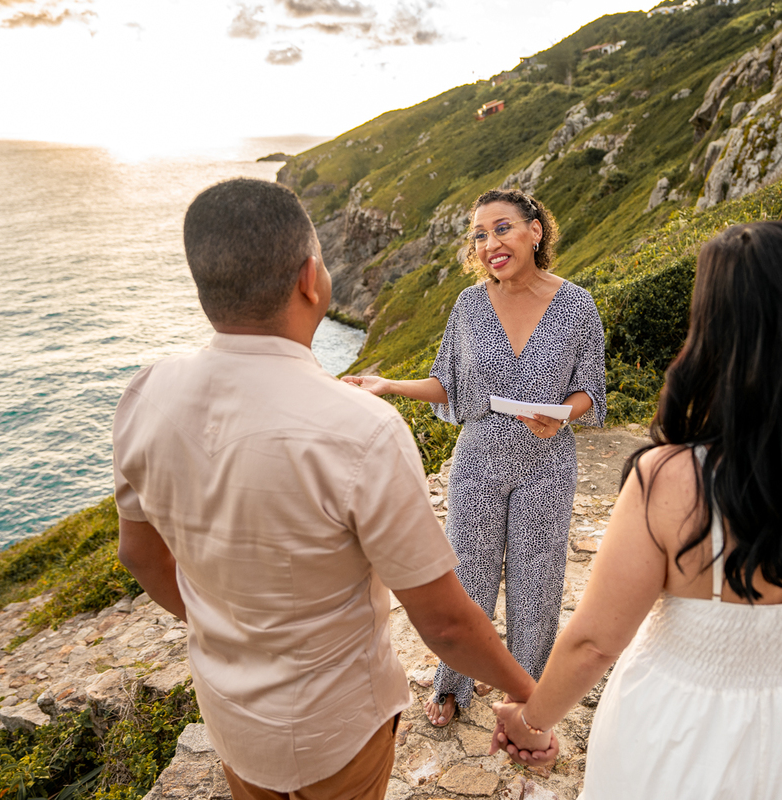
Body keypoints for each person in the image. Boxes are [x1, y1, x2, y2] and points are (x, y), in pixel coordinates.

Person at [112, 178, 540, 800]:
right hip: (338, 726)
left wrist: (227, 629)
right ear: (312, 279)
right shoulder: (361, 428)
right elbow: (444, 623)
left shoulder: (145, 395)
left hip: (231, 717)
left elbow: (138, 554)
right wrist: (532, 698)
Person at [492, 221, 782, 798]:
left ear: (714, 330)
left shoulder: (668, 477)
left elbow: (595, 643)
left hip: (667, 732)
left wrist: (531, 722)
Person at [343, 189, 607, 727]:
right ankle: (453, 683)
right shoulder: (468, 306)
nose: (490, 244)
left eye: (502, 228)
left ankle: (527, 690)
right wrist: (390, 383)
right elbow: (448, 383)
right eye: (480, 235)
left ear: (536, 230)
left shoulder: (577, 304)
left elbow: (592, 392)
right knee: (469, 578)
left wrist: (562, 413)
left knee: (539, 579)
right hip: (479, 464)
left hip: (546, 465)